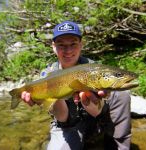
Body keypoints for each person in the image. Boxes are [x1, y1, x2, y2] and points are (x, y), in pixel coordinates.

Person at [21, 21, 131, 150]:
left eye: (73, 44)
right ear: (53, 46)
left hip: (95, 115)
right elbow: (62, 118)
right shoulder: (46, 78)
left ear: (81, 45)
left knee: (121, 93)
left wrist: (92, 101)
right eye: (61, 45)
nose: (68, 50)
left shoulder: (93, 68)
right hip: (67, 124)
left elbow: (97, 110)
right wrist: (52, 96)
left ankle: (116, 144)